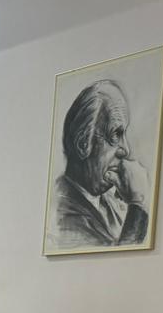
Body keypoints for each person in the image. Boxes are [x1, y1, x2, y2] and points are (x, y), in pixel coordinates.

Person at [49, 79, 153, 251]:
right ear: (83, 144)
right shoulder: (63, 219)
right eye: (115, 134)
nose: (126, 150)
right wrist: (138, 205)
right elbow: (121, 261)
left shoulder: (109, 201)